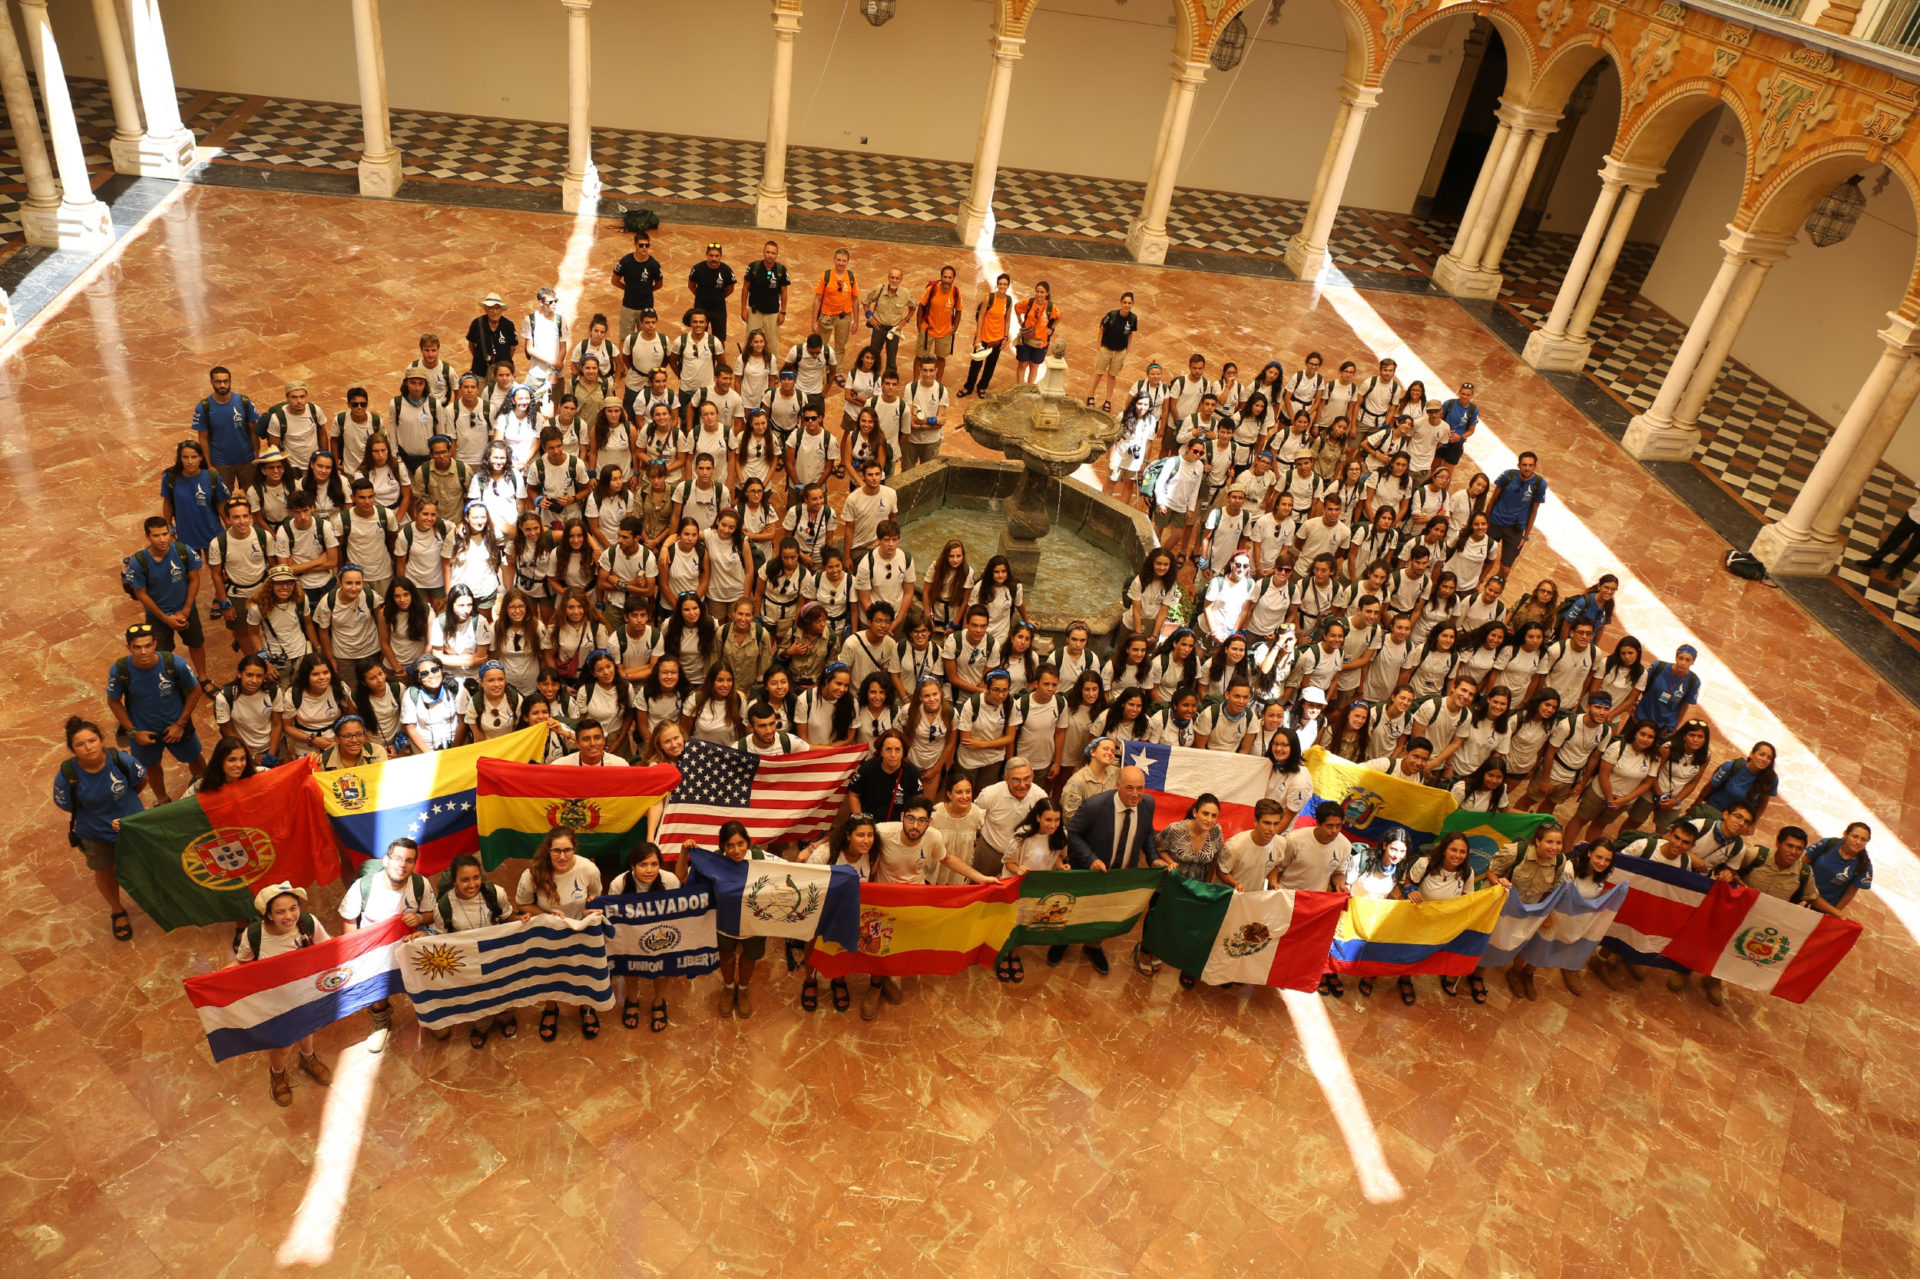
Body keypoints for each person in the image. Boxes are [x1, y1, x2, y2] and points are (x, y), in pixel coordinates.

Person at [231, 883, 334, 1104]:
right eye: (280, 911)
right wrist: (212, 979)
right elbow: (243, 963)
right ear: (267, 914)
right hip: (275, 1002)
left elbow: (328, 950)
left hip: (306, 995)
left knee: (308, 1028)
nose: (289, 916)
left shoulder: (308, 922)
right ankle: (277, 1073)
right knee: (284, 1045)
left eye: (293, 908)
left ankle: (308, 1058)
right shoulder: (255, 934)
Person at [52, 716, 148, 943]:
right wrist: (101, 818)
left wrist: (126, 811)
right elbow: (66, 805)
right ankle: (117, 910)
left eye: (92, 740)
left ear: (101, 739)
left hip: (133, 825)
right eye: (80, 744)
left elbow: (140, 781)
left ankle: (156, 899)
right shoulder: (68, 775)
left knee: (146, 863)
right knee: (105, 871)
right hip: (95, 834)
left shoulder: (120, 760)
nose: (88, 747)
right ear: (72, 749)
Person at [338, 837, 434, 1052]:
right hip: (375, 953)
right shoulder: (363, 887)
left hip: (410, 950)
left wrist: (419, 920)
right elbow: (349, 920)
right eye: (397, 858)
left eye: (409, 860)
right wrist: (355, 954)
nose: (402, 865)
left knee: (421, 983)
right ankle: (381, 1022)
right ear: (385, 860)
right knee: (377, 991)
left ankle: (430, 1015)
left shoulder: (420, 884)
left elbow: (430, 914)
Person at [512, 827, 606, 1040]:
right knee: (549, 972)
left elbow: (595, 897)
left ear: (575, 849)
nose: (562, 856)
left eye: (567, 850)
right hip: (548, 932)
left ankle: (587, 1006)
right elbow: (522, 904)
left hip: (581, 930)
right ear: (548, 850)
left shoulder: (588, 869)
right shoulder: (533, 873)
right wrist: (547, 914)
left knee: (584, 971)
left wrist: (591, 907)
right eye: (556, 851)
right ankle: (551, 1007)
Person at [1062, 766, 1157, 974]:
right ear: (1117, 786)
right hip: (1088, 873)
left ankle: (1093, 946)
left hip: (1119, 877)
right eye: (1129, 788)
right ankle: (1061, 943)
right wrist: (1091, 859)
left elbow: (1148, 832)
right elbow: (1074, 833)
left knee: (1103, 914)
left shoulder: (1148, 803)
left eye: (1140, 788)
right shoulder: (1094, 805)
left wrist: (1153, 858)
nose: (1135, 794)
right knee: (1075, 910)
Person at [106, 623, 206, 804]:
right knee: (151, 766)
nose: (143, 652)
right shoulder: (120, 670)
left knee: (196, 760)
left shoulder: (175, 664)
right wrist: (133, 732)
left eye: (147, 646)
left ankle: (207, 790)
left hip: (177, 727)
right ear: (128, 647)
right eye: (137, 647)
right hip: (144, 732)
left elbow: (195, 690)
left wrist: (180, 724)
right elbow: (113, 701)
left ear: (155, 644)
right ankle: (162, 800)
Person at [1485, 821, 1569, 1002]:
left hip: (1527, 910)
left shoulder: (1560, 862)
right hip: (1501, 906)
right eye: (1549, 842)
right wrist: (1498, 883)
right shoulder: (1515, 852)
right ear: (1537, 841)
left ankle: (1514, 973)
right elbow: (1491, 871)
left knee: (1514, 943)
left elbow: (1551, 888)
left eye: (1558, 843)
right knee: (1489, 940)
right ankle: (1477, 971)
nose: (1554, 848)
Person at [606, 843, 680, 1033]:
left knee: (663, 966)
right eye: (643, 865)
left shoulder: (670, 881)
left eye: (654, 864)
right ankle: (632, 998)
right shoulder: (619, 883)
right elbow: (613, 915)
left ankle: (659, 1000)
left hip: (661, 934)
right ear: (632, 866)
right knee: (630, 964)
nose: (649, 870)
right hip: (631, 934)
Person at [125, 516, 210, 676]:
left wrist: (185, 610)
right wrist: (165, 618)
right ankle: (167, 681)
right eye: (156, 535)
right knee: (161, 653)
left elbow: (194, 580)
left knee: (196, 643)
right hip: (158, 616)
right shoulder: (139, 562)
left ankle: (203, 677)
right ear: (147, 537)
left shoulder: (184, 552)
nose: (162, 539)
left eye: (165, 534)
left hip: (186, 610)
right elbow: (141, 594)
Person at [709, 819, 767, 1019]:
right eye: (730, 845)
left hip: (753, 922)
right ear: (722, 846)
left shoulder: (760, 857)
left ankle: (743, 989)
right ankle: (728, 988)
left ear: (748, 843)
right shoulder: (714, 860)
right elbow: (685, 878)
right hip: (724, 921)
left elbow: (787, 874)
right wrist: (685, 852)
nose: (735, 850)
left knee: (749, 955)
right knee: (726, 954)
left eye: (740, 844)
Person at [973, 758, 1039, 877]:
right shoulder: (989, 794)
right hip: (990, 853)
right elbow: (974, 819)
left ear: (1032, 776)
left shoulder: (1040, 796)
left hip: (1021, 858)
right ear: (1006, 779)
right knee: (979, 889)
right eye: (1016, 780)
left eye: (1026, 778)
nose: (1022, 785)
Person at [1485, 451, 1548, 575]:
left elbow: (1534, 512)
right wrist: (1485, 520)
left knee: (1505, 569)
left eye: (1530, 465)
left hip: (1515, 530)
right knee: (1483, 559)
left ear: (1535, 466)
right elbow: (1493, 498)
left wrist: (1525, 536)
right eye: (1524, 465)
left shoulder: (1539, 484)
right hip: (1495, 523)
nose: (1527, 468)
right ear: (1519, 465)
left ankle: (1495, 589)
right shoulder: (1508, 476)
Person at [1804, 821, 1873, 916]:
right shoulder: (1827, 844)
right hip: (1801, 891)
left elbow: (1849, 894)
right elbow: (1802, 864)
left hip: (1824, 906)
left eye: (1863, 840)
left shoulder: (1864, 865)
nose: (1858, 842)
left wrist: (1834, 913)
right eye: (1855, 836)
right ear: (1846, 835)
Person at [1087, 292, 1138, 411]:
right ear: (1121, 303)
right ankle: (1090, 395)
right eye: (1125, 302)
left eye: (1129, 303)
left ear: (1132, 304)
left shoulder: (1133, 318)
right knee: (1099, 373)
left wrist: (1128, 348)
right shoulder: (1111, 315)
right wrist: (1099, 344)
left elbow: (1130, 333)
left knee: (1112, 376)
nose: (1127, 305)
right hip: (1106, 349)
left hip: (1120, 352)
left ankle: (1108, 400)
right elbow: (1102, 328)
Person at [915, 264, 963, 382]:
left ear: (953, 279)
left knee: (941, 358)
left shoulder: (956, 293)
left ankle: (938, 381)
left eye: (949, 277)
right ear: (941, 277)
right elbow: (921, 306)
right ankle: (915, 381)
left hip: (945, 332)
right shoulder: (932, 289)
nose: (947, 280)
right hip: (927, 330)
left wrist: (954, 328)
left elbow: (959, 311)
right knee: (920, 357)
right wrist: (919, 325)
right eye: (945, 277)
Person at [610, 232, 664, 339]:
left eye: (647, 245)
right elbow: (614, 280)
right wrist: (627, 289)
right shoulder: (626, 262)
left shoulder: (654, 264)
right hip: (628, 305)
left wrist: (647, 290)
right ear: (635, 244)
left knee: (646, 337)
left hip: (646, 307)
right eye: (641, 245)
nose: (644, 248)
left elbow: (659, 284)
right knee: (625, 338)